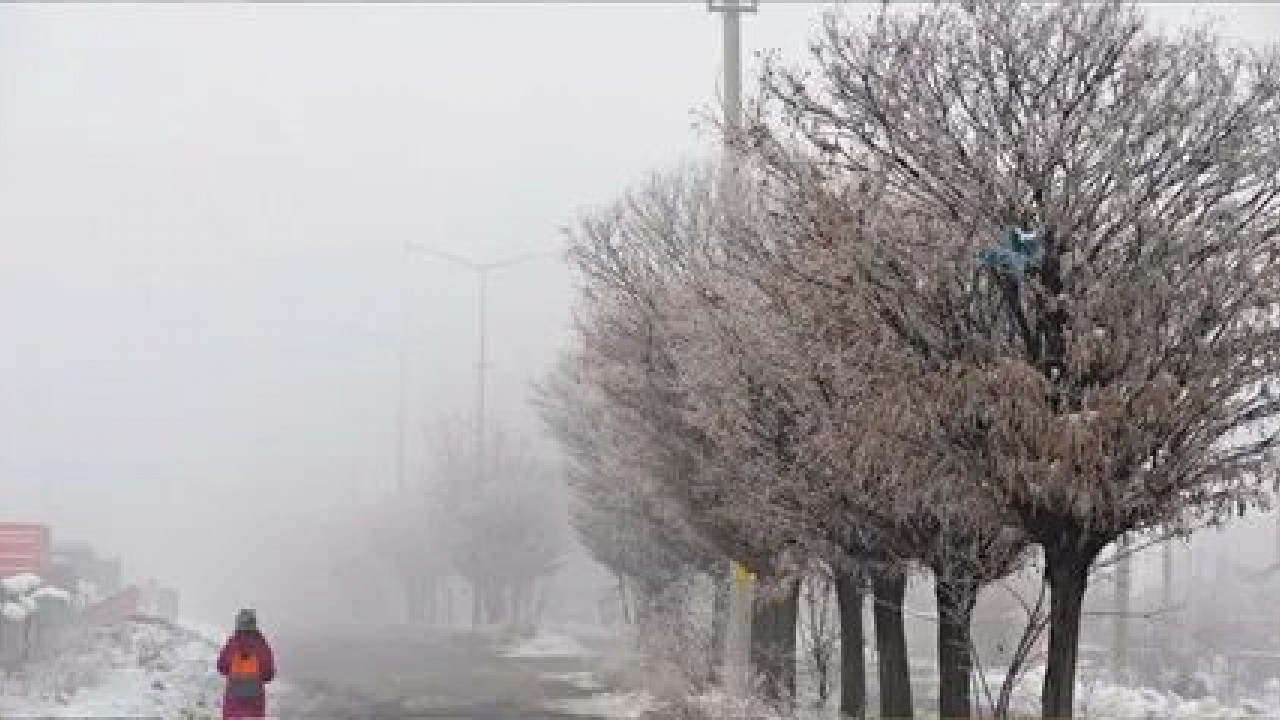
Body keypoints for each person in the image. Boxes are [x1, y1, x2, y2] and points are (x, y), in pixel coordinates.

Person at [216, 609, 276, 719]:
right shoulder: (262, 645)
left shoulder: (232, 643)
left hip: (234, 696)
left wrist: (236, 673)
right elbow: (268, 674)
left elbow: (221, 667)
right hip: (255, 698)